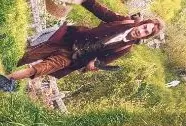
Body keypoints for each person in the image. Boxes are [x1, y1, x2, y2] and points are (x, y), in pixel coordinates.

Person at [0, 0, 163, 88]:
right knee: (31, 54)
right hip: (69, 39)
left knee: (41, 68)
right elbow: (102, 11)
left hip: (74, 58)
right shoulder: (123, 21)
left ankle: (7, 79)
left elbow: (105, 61)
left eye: (146, 32)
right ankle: (12, 63)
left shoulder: (125, 48)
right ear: (141, 24)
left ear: (145, 36)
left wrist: (94, 64)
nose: (141, 31)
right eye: (144, 27)